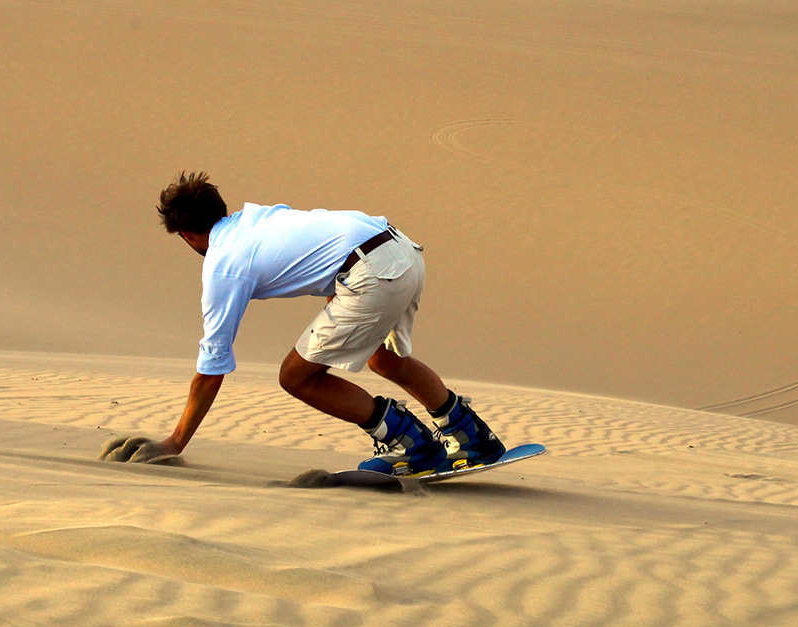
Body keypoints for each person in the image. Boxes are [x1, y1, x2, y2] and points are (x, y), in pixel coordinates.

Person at [99, 172, 506, 477]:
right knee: (383, 360)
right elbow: (323, 247)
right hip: (401, 251)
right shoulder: (257, 218)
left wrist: (175, 442)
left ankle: (409, 444)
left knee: (296, 376)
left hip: (370, 273)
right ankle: (472, 437)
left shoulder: (224, 264)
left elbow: (212, 368)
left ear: (187, 234)